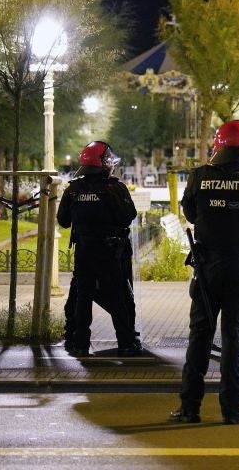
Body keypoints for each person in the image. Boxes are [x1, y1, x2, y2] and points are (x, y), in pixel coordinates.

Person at [170, 120, 239, 425]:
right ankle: (231, 411)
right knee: (234, 338)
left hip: (207, 269)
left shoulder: (198, 177)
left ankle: (189, 408)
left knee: (200, 337)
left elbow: (191, 214)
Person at [57, 141, 141, 357]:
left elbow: (63, 220)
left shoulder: (73, 190)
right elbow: (128, 216)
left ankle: (80, 343)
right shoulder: (115, 188)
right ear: (103, 164)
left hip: (84, 252)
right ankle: (126, 343)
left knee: (83, 298)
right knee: (117, 296)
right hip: (110, 252)